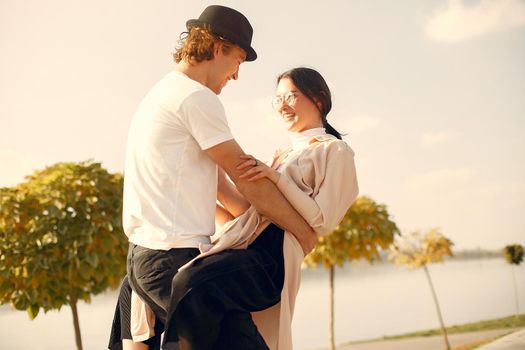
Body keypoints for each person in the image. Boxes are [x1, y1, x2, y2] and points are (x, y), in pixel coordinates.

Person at [108, 5, 318, 350]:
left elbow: (222, 189)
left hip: (147, 257)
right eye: (237, 60)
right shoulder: (196, 98)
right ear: (218, 48)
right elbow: (246, 177)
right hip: (173, 261)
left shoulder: (160, 94)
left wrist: (258, 223)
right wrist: (302, 230)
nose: (235, 75)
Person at [127, 67, 359, 350]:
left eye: (291, 96)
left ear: (319, 99)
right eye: (277, 99)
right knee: (131, 289)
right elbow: (248, 216)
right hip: (241, 245)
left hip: (273, 257)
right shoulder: (282, 156)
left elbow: (321, 219)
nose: (282, 106)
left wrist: (275, 178)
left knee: (192, 281)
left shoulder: (335, 151)